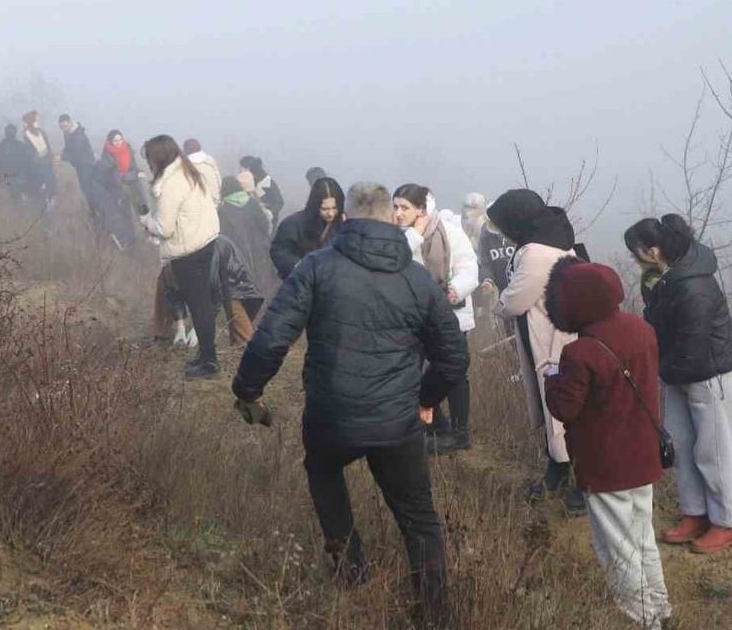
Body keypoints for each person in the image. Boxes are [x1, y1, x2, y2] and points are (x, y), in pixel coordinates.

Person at [231, 182, 468, 628]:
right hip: (397, 422)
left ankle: (352, 574)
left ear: (347, 218)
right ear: (389, 219)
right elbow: (455, 357)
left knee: (323, 470)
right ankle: (435, 615)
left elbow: (272, 337)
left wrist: (247, 390)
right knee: (419, 520)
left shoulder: (316, 268)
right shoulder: (416, 279)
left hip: (331, 415)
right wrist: (424, 398)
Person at [543, 257, 672, 628]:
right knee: (643, 538)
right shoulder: (640, 327)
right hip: (643, 454)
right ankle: (661, 610)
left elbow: (566, 408)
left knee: (618, 548)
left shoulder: (580, 351)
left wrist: (552, 378)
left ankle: (641, 619)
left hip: (606, 464)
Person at [626, 215, 732, 554]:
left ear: (653, 250)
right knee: (683, 447)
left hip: (707, 375)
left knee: (714, 452)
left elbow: (694, 344)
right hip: (676, 373)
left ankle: (725, 520)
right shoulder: (662, 278)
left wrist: (664, 370)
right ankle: (695, 513)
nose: (634, 258)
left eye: (636, 251)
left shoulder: (693, 286)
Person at [488, 189, 583, 511]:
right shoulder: (553, 238)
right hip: (551, 335)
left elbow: (514, 300)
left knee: (562, 409)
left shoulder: (536, 252)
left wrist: (498, 305)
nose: (501, 232)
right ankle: (557, 469)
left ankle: (582, 482)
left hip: (554, 341)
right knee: (556, 406)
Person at [393, 185, 479, 454]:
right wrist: (414, 236)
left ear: (421, 210)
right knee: (413, 370)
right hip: (413, 316)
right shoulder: (398, 238)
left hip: (449, 313)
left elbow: (469, 267)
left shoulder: (450, 233)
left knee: (453, 372)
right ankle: (432, 425)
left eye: (404, 208)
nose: (397, 213)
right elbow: (394, 262)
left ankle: (460, 432)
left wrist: (455, 290)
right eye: (394, 207)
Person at [140, 135, 221, 378]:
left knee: (199, 307)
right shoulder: (189, 171)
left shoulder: (172, 183)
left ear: (158, 158)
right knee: (202, 304)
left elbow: (164, 228)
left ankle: (209, 363)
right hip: (205, 243)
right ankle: (207, 356)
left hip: (188, 251)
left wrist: (145, 221)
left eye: (149, 159)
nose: (148, 164)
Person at [270, 177, 345, 279]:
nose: (331, 213)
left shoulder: (345, 224)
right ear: (315, 205)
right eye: (325, 209)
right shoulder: (293, 224)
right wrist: (299, 265)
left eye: (334, 208)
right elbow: (279, 251)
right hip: (301, 282)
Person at [217, 176, 277, 298]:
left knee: (246, 285)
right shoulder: (253, 203)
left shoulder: (222, 210)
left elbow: (222, 236)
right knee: (264, 282)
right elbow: (265, 225)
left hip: (238, 253)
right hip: (260, 249)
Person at [59, 114, 96, 213]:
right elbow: (68, 148)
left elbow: (76, 153)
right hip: (79, 165)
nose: (64, 129)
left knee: (88, 188)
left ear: (70, 122)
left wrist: (62, 157)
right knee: (85, 188)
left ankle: (95, 211)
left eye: (65, 126)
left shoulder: (79, 134)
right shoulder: (67, 133)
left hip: (87, 164)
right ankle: (92, 210)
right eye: (61, 127)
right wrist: (63, 153)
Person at [21, 111, 57, 206]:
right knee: (41, 189)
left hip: (44, 165)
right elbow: (31, 153)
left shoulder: (39, 133)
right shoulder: (27, 134)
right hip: (38, 166)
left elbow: (47, 148)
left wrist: (48, 155)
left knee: (48, 187)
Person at [239, 156, 285, 227]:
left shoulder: (267, 182)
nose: (241, 172)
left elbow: (279, 202)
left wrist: (269, 212)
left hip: (268, 222)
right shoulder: (246, 183)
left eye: (243, 169)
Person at [181, 139, 221, 206]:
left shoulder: (185, 165)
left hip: (197, 204)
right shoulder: (210, 161)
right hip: (214, 201)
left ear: (185, 150)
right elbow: (219, 181)